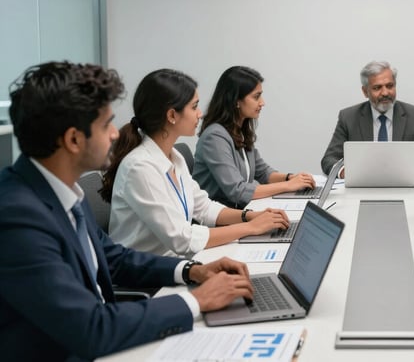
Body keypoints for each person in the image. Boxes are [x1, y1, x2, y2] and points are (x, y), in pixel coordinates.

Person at [0, 62, 255, 360]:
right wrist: (196, 302)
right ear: (73, 139)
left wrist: (191, 270)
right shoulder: (17, 216)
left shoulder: (64, 191)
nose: (115, 134)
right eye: (105, 124)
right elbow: (89, 329)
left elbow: (114, 258)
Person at [102, 69, 290, 258]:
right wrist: (250, 227)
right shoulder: (140, 168)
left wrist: (249, 216)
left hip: (177, 261)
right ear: (172, 115)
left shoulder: (174, 157)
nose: (200, 114)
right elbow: (182, 239)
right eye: (194, 107)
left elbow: (204, 208)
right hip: (149, 275)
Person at [193, 66, 315, 208]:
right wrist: (288, 185)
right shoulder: (214, 137)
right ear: (236, 101)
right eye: (256, 97)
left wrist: (290, 177)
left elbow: (262, 172)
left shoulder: (239, 130)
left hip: (240, 211)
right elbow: (237, 191)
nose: (262, 102)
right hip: (222, 220)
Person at [320, 60, 414, 176]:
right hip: (362, 186)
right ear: (365, 91)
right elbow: (329, 159)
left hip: (404, 187)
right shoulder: (348, 117)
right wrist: (344, 172)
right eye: (377, 88)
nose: (385, 93)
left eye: (390, 86)